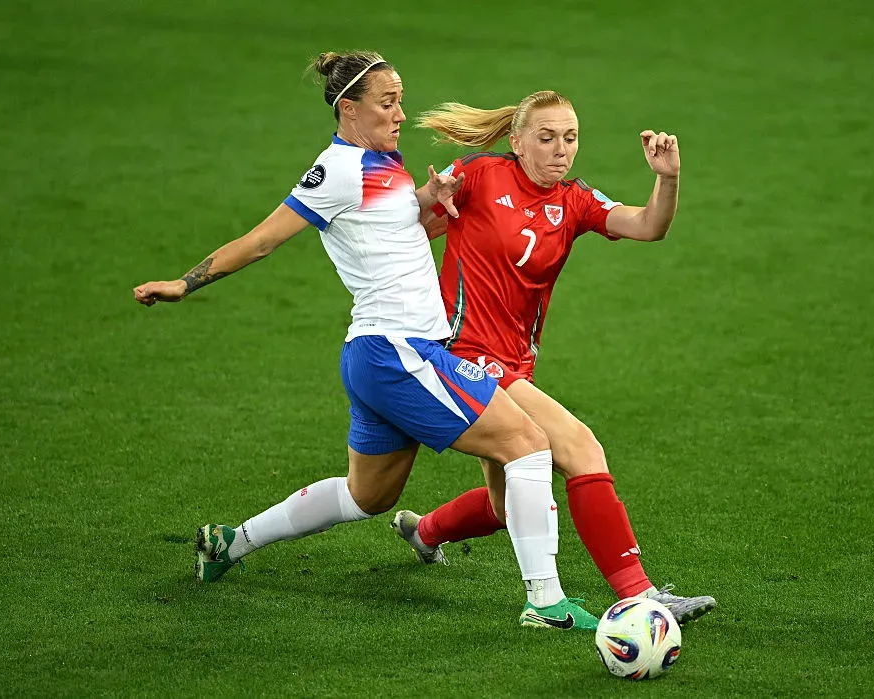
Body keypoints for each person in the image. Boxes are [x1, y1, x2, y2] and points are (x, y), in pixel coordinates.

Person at [133, 55, 599, 630]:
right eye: (387, 103)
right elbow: (261, 241)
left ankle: (232, 542)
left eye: (400, 100)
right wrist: (185, 283)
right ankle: (546, 602)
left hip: (377, 357)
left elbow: (390, 229)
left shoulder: (384, 163)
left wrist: (428, 197)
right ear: (349, 109)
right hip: (399, 351)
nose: (400, 114)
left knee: (368, 496)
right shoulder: (337, 171)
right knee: (527, 444)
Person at [389, 90, 717, 623]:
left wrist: (669, 178)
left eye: (570, 137)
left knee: (505, 507)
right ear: (518, 142)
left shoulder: (574, 201)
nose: (560, 149)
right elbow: (404, 222)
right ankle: (640, 596)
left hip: (515, 361)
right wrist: (428, 202)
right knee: (580, 447)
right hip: (462, 352)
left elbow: (648, 226)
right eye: (546, 138)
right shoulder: (478, 175)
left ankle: (423, 531)